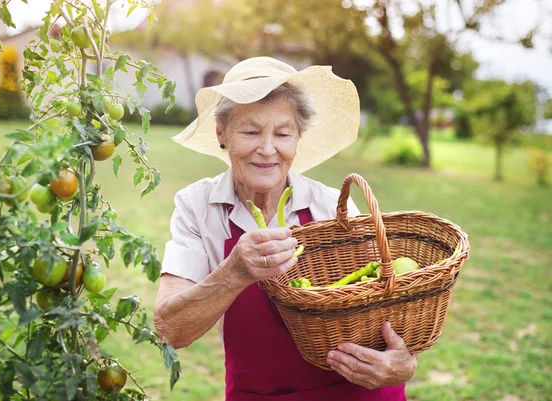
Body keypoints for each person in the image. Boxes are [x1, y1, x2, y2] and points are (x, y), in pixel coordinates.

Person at [153, 57, 416, 400]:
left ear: (298, 137)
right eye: (250, 131)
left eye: (282, 133)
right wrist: (234, 272)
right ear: (221, 132)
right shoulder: (198, 208)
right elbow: (171, 331)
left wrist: (404, 364)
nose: (267, 149)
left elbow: (388, 310)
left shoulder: (330, 205)